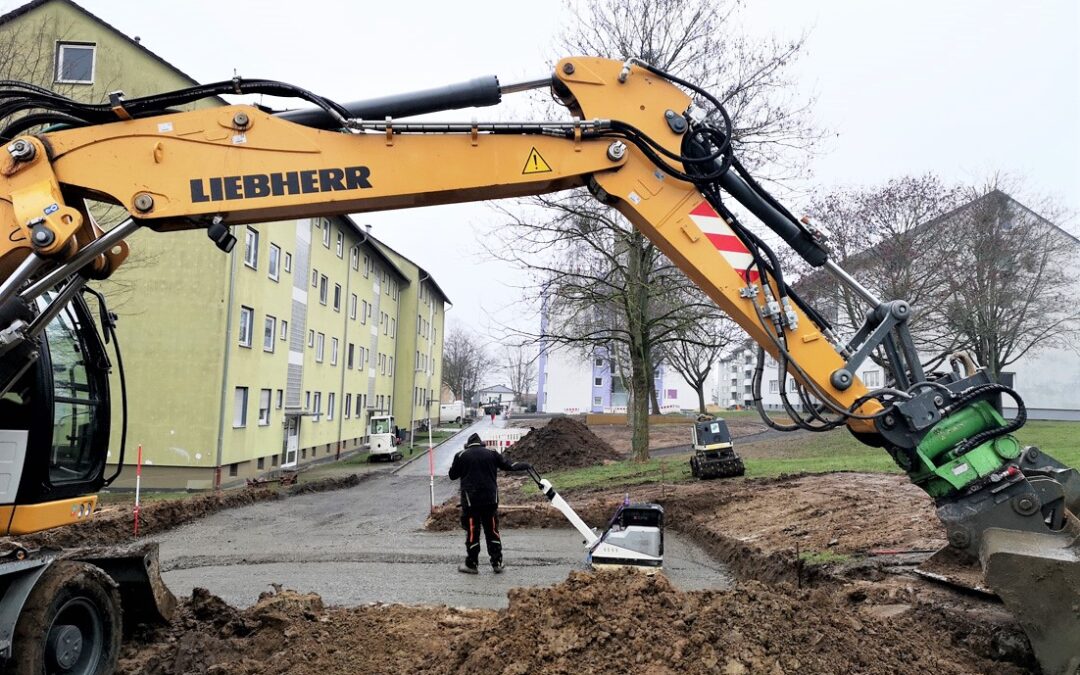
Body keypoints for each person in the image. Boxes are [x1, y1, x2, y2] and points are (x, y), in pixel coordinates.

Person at [447, 433, 527, 574]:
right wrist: (524, 465)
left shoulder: (461, 455)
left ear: (468, 444)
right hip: (490, 500)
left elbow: (452, 475)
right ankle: (497, 562)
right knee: (492, 531)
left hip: (471, 502)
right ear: (482, 443)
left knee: (473, 532)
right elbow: (508, 465)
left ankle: (472, 564)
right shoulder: (492, 453)